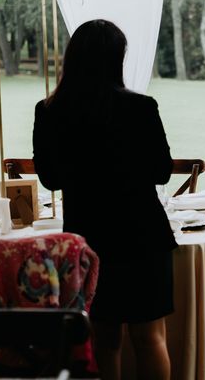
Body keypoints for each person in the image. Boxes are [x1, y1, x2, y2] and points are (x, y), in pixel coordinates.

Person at [33, 19, 176, 379]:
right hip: (142, 234)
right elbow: (161, 171)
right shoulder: (141, 107)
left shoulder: (49, 111)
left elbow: (49, 177)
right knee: (151, 339)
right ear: (117, 59)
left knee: (104, 341)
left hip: (88, 238)